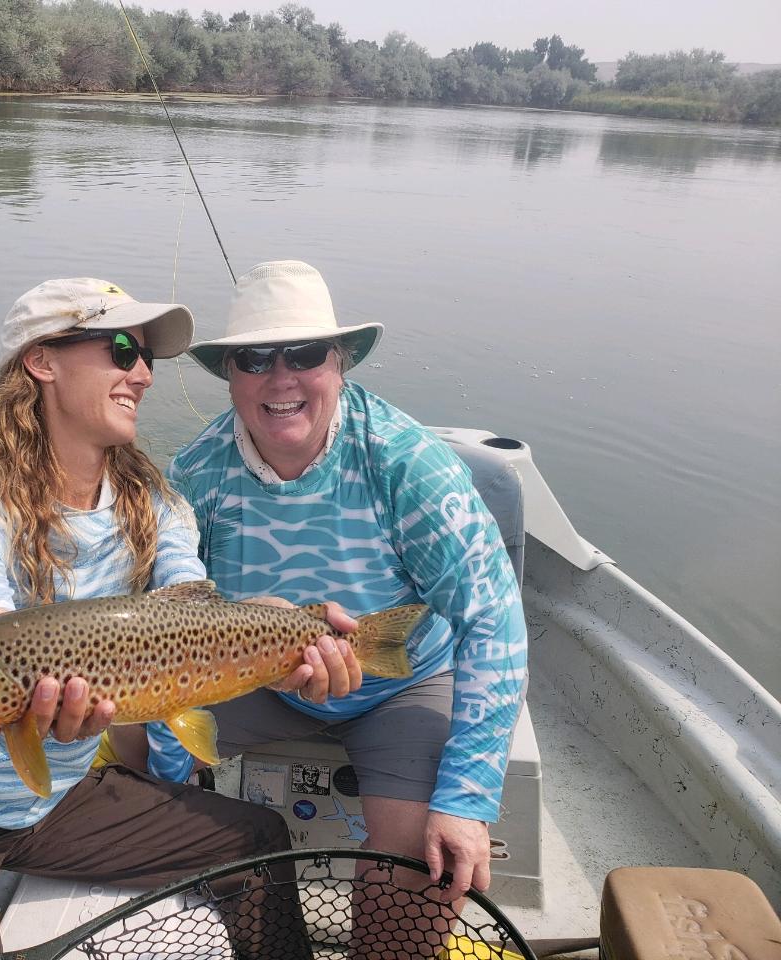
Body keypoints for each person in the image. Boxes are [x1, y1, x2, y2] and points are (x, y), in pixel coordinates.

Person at [0, 276, 356, 955]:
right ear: (41, 361)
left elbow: (190, 601)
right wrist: (27, 687)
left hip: (56, 801)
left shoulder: (160, 507)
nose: (142, 374)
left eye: (146, 357)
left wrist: (274, 640)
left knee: (258, 841)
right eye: (121, 349)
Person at [120, 259, 528, 949]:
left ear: (340, 365)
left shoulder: (410, 465)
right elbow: (171, 621)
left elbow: (493, 620)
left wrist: (467, 799)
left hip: (402, 683)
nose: (280, 378)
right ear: (230, 376)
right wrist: (169, 784)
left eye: (305, 353)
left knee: (422, 864)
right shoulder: (195, 473)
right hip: (255, 672)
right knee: (128, 738)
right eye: (255, 359)